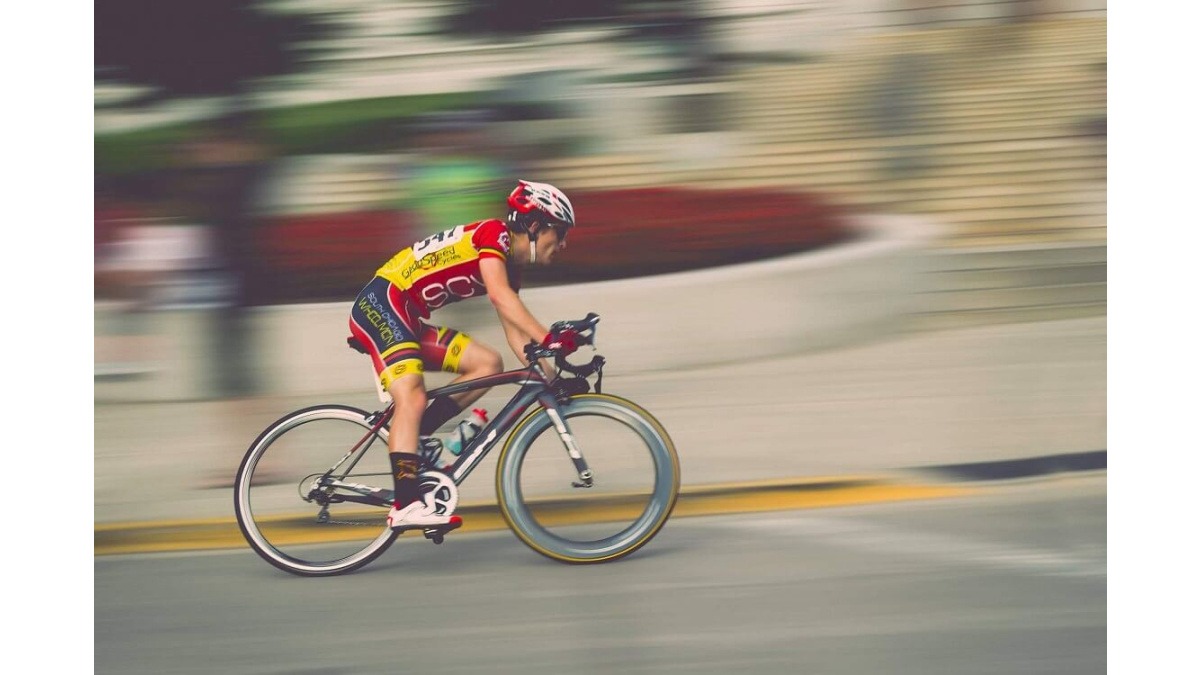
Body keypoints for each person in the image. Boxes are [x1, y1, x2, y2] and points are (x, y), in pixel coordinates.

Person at [348, 180, 579, 530]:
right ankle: (405, 505)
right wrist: (550, 336)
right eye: (559, 233)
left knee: (488, 363)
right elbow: (501, 299)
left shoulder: (509, 267)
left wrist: (550, 377)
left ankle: (418, 435)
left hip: (406, 317)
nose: (563, 244)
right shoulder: (494, 235)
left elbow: (516, 335)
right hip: (383, 303)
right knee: (411, 394)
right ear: (535, 226)